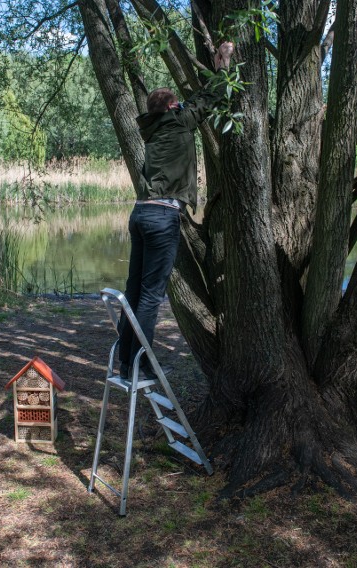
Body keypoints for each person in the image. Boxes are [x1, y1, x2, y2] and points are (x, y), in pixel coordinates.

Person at [117, 42, 234, 379]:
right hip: (162, 216)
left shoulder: (152, 133)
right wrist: (222, 61)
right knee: (151, 296)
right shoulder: (180, 121)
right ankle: (142, 366)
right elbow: (211, 97)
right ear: (171, 106)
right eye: (175, 104)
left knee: (134, 290)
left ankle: (126, 362)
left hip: (140, 213)